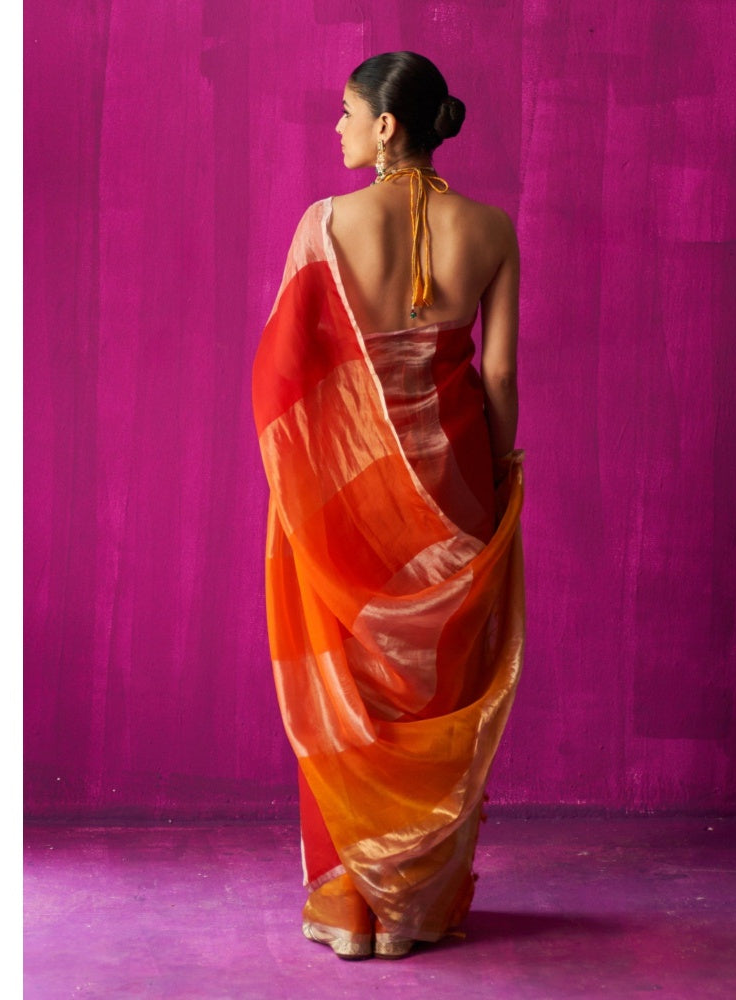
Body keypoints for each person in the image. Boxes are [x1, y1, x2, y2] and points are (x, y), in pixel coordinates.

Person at [252, 51, 525, 960]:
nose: (335, 127)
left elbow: (283, 374)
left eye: (345, 111)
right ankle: (415, 913)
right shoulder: (490, 228)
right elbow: (497, 375)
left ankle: (353, 909)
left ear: (384, 125)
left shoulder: (326, 224)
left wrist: (305, 475)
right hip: (455, 481)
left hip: (350, 489)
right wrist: (500, 476)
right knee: (438, 681)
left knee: (353, 684)